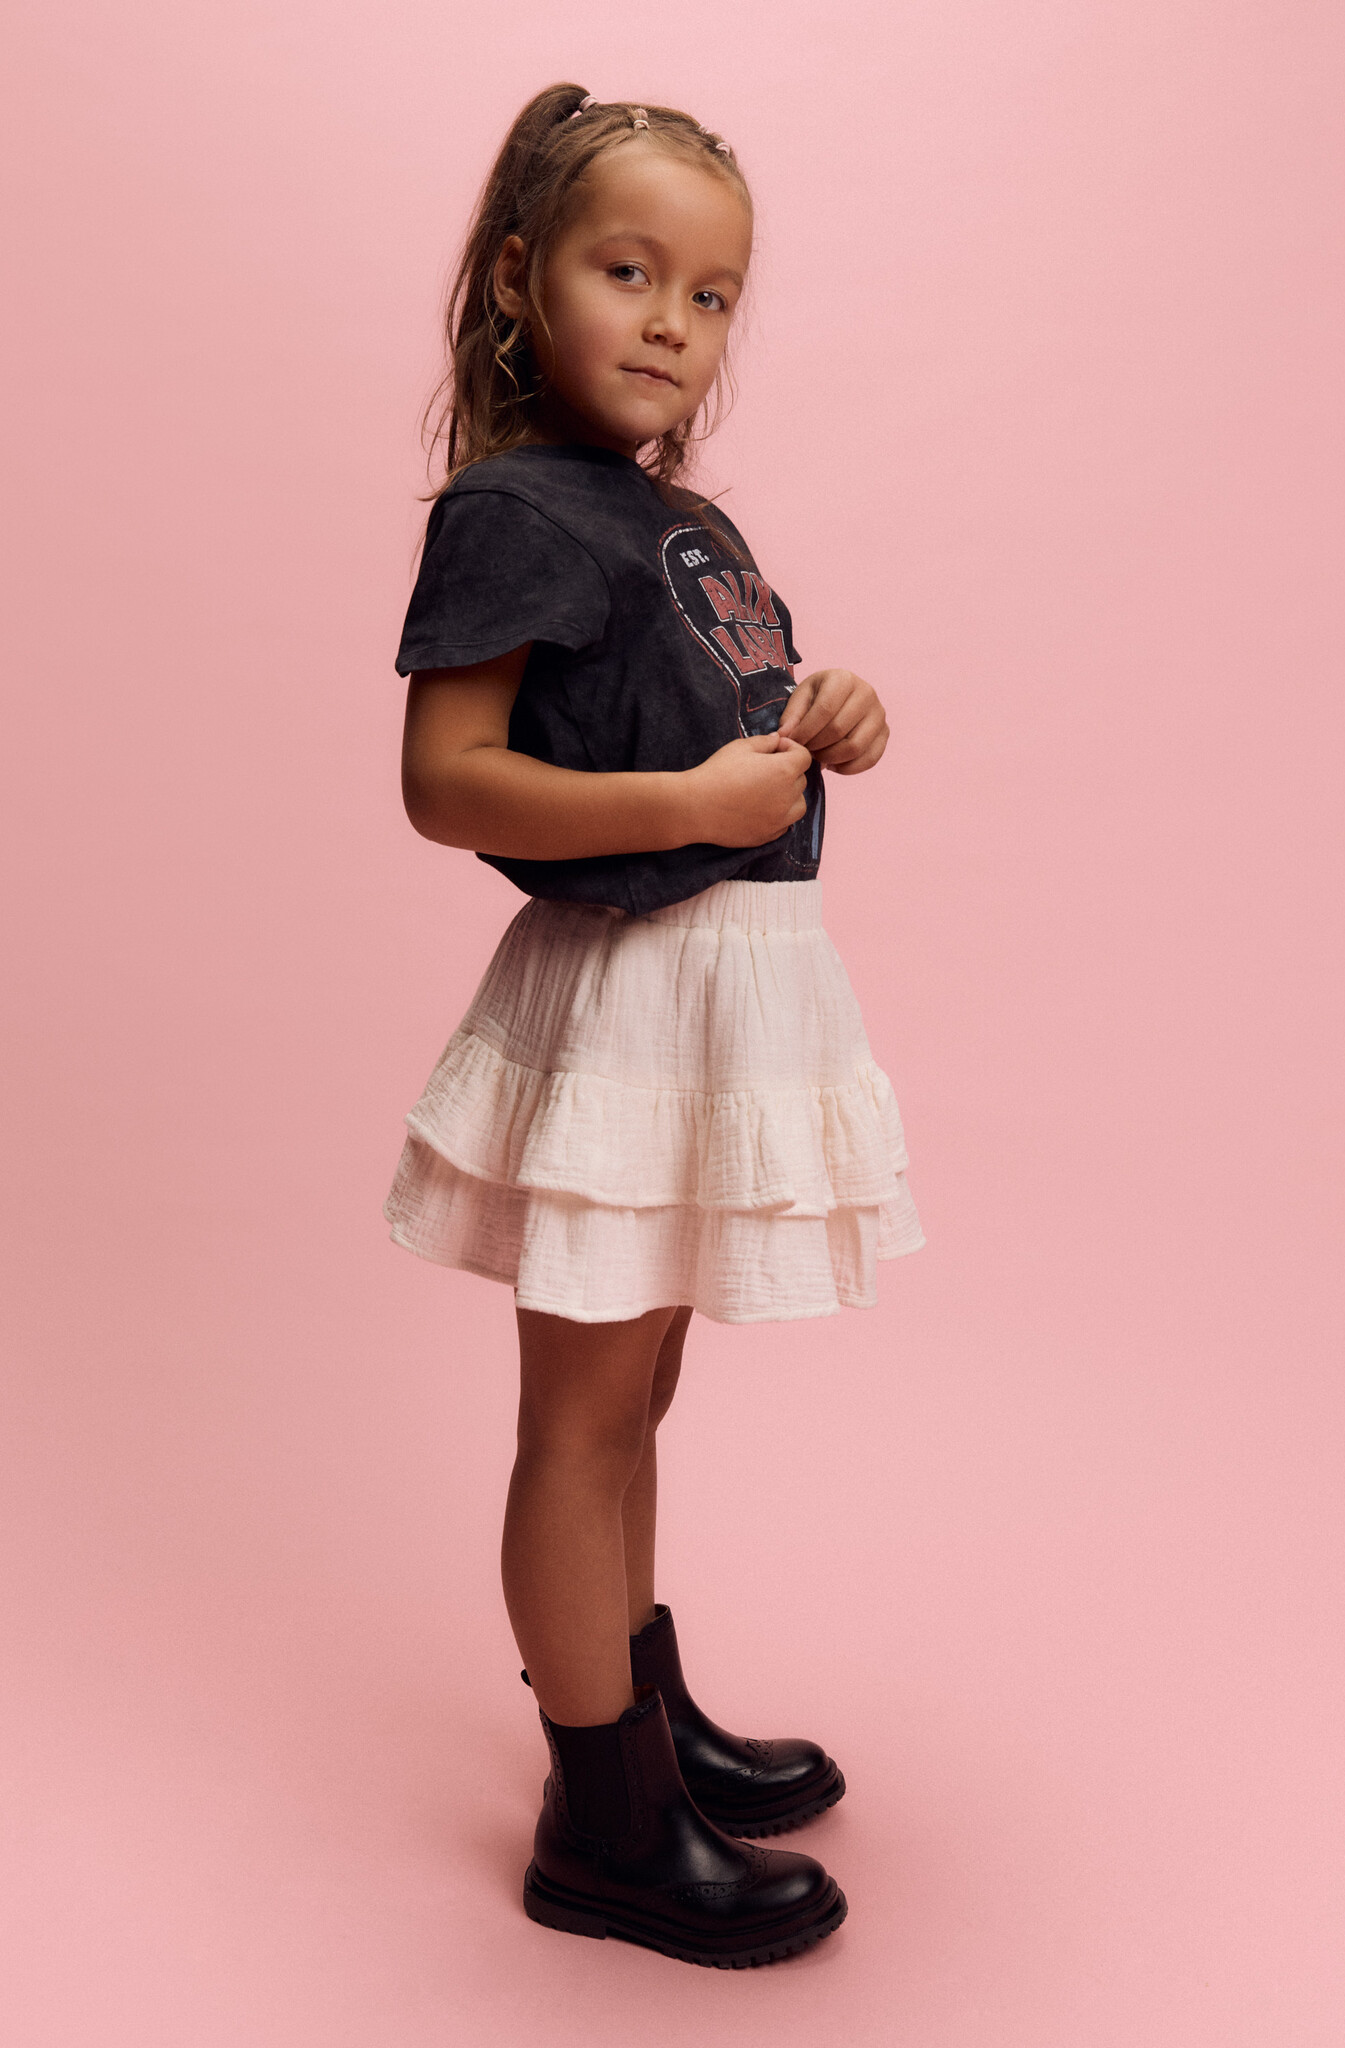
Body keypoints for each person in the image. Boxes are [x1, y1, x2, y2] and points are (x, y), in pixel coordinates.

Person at [384, 83, 925, 1969]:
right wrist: (689, 805)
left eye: (709, 295)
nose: (673, 323)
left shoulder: (678, 518)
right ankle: (601, 1819)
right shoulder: (511, 507)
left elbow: (715, 710)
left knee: (642, 1397)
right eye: (629, 273)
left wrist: (825, 709)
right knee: (582, 1416)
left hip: (717, 995)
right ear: (518, 281)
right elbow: (448, 779)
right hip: (631, 997)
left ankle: (635, 1706)